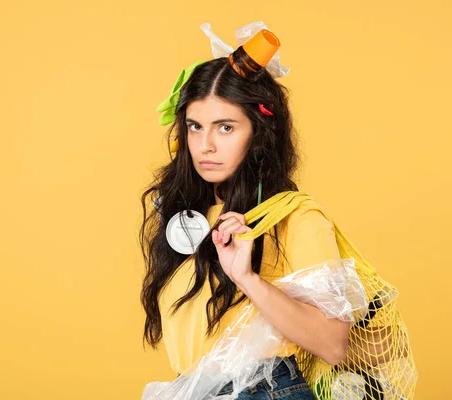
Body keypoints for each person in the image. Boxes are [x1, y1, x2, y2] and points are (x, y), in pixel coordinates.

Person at [139, 25, 351, 399]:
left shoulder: (295, 217)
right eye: (195, 126)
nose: (205, 145)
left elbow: (333, 344)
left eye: (225, 127)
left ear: (259, 132)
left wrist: (248, 279)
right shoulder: (184, 215)